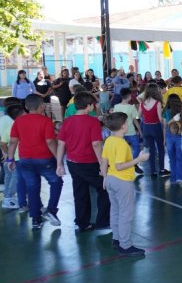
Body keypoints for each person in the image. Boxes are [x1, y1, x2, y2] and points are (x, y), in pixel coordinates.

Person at [7, 94, 64, 230]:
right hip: (44, 159)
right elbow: (50, 141)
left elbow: (13, 141)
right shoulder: (45, 121)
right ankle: (51, 210)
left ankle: (36, 219)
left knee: (32, 188)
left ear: (26, 107)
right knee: (56, 182)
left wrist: (10, 159)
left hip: (25, 160)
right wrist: (59, 159)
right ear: (42, 106)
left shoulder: (18, 121)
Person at [56, 92, 110, 231]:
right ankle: (103, 222)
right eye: (93, 104)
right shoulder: (93, 121)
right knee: (104, 189)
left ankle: (82, 223)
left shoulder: (67, 121)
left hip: (73, 163)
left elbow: (61, 144)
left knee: (80, 192)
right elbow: (96, 144)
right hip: (89, 162)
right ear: (89, 106)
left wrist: (59, 164)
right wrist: (102, 164)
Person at [101, 112, 149, 255]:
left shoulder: (109, 140)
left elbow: (104, 161)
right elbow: (119, 166)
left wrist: (105, 178)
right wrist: (139, 159)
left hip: (110, 179)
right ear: (123, 126)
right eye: (127, 123)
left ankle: (117, 239)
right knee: (125, 213)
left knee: (115, 210)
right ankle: (125, 245)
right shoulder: (121, 144)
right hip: (122, 181)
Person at [140, 83, 169, 178]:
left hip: (146, 127)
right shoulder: (157, 102)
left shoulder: (143, 102)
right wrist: (165, 125)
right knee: (161, 149)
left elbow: (139, 115)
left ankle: (153, 171)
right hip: (155, 127)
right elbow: (160, 118)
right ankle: (161, 169)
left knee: (151, 150)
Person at [113, 87, 142, 173]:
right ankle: (132, 163)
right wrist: (140, 131)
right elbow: (135, 120)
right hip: (131, 132)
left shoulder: (116, 106)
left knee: (121, 150)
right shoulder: (131, 107)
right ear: (129, 96)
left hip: (119, 133)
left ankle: (126, 164)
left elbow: (114, 119)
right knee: (136, 148)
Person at [164, 94, 182, 186]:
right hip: (180, 135)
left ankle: (173, 177)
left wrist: (164, 138)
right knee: (180, 157)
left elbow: (164, 126)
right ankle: (180, 178)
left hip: (169, 135)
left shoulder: (165, 111)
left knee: (171, 158)